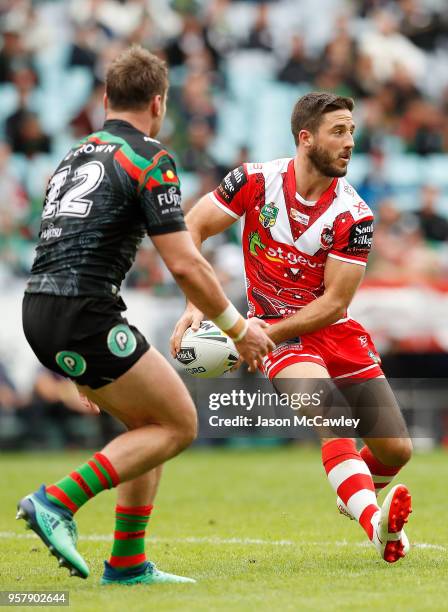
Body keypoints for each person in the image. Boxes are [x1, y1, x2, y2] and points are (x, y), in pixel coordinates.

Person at [18, 45, 274, 585]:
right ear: (159, 104)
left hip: (40, 306)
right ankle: (56, 501)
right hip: (83, 310)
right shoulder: (150, 158)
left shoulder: (71, 157)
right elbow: (183, 263)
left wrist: (78, 360)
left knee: (149, 420)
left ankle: (129, 562)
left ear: (107, 99)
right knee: (179, 425)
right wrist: (238, 327)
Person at [171, 92, 413, 564]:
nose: (350, 142)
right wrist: (194, 305)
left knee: (396, 449)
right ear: (306, 138)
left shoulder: (355, 214)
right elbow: (192, 229)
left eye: (352, 132)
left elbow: (336, 302)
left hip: (325, 328)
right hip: (281, 336)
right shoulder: (253, 181)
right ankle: (377, 526)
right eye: (338, 132)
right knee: (333, 417)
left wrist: (254, 336)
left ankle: (355, 494)